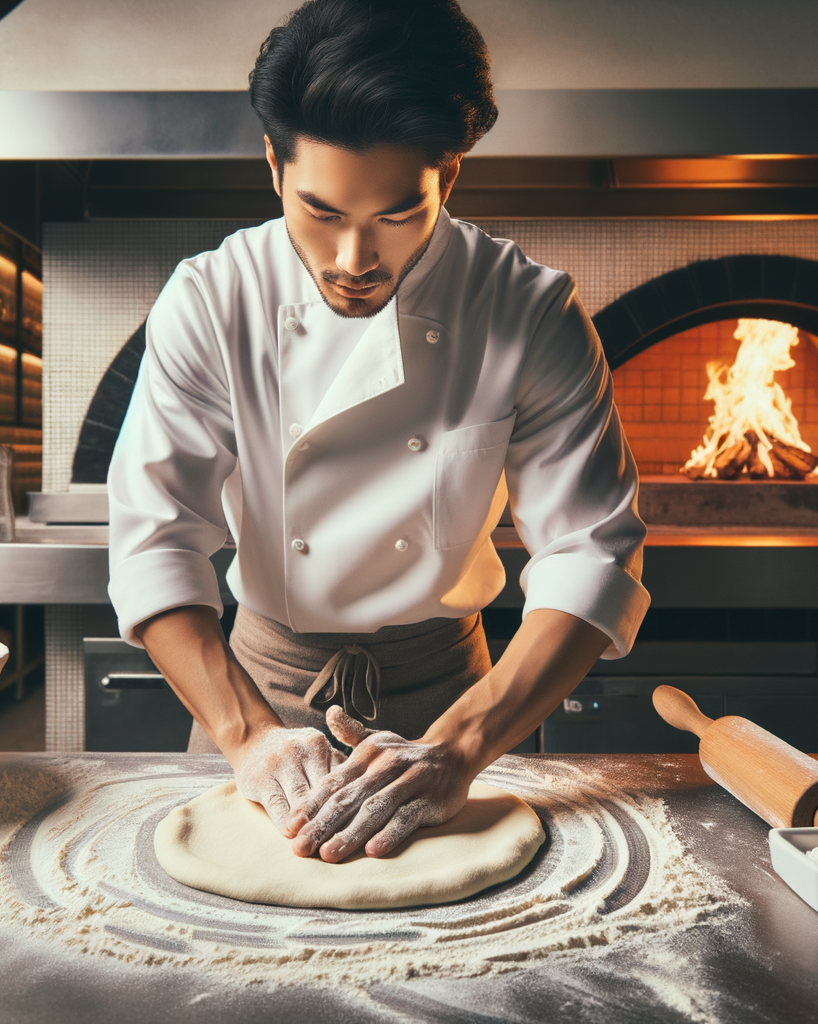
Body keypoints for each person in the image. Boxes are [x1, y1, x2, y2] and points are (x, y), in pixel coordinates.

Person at [108, 0, 649, 865]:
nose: (354, 259)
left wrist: (463, 745)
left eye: (397, 215)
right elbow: (154, 538)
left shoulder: (527, 309)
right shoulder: (213, 299)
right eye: (320, 212)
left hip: (467, 705)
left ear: (451, 174)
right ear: (273, 166)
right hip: (257, 694)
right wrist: (249, 736)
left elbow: (593, 556)